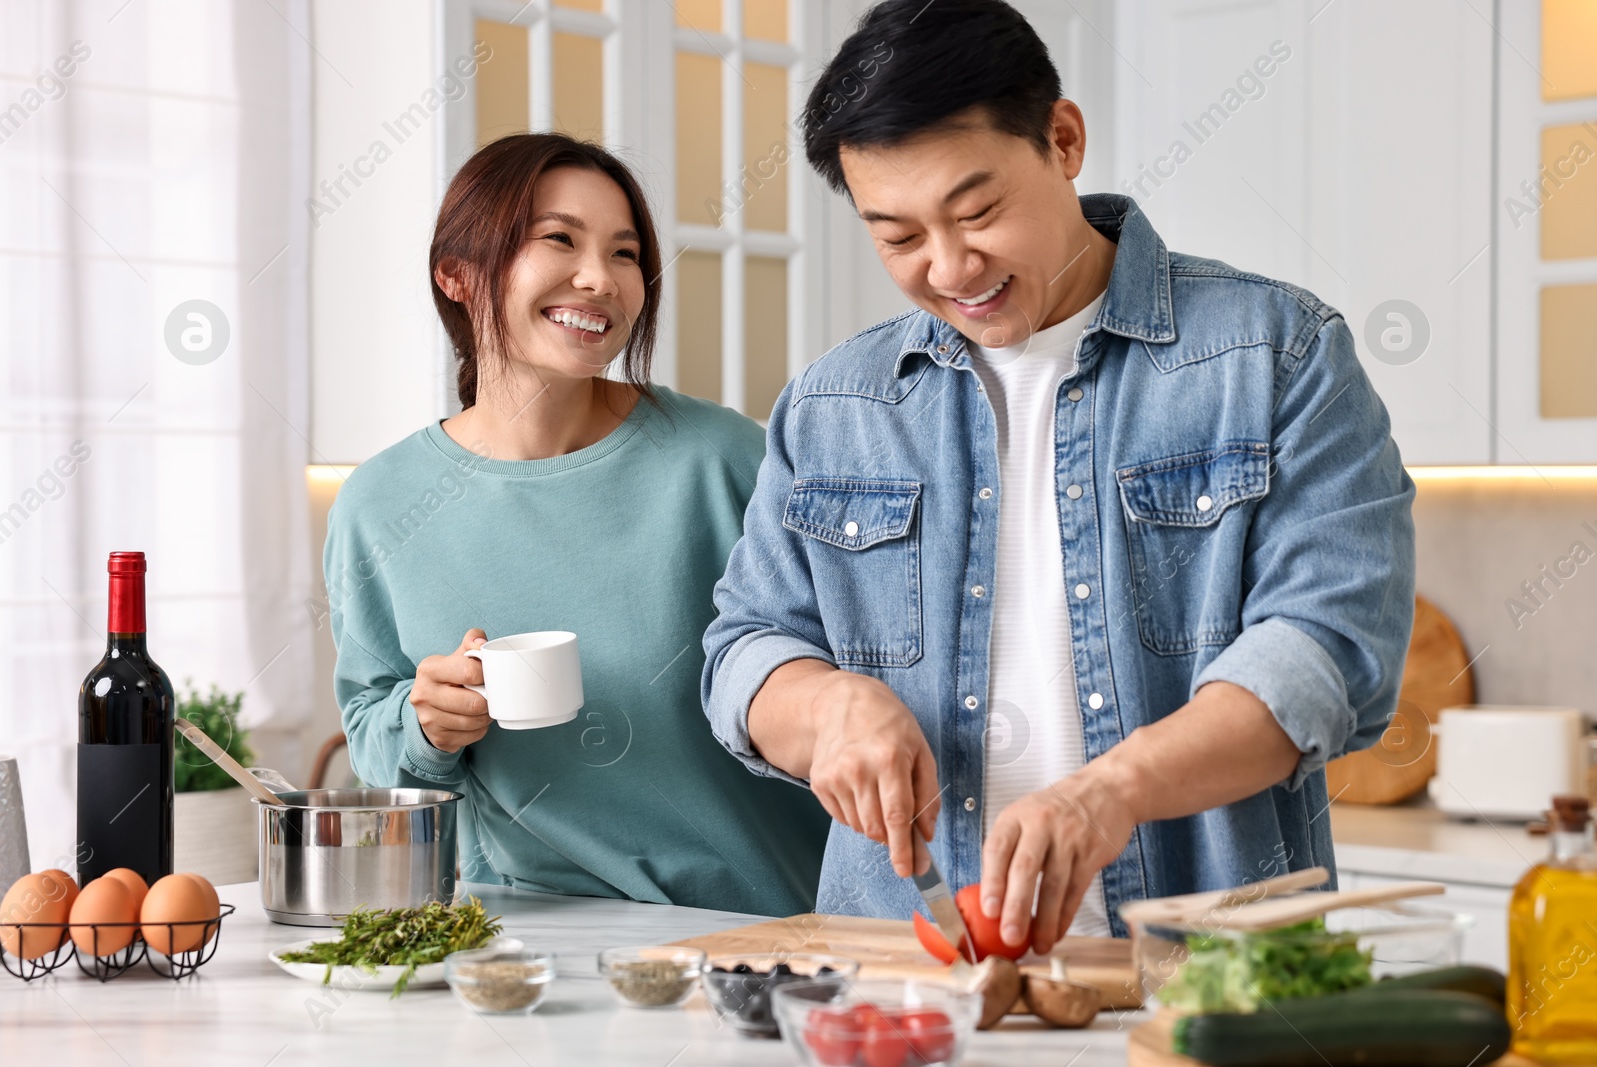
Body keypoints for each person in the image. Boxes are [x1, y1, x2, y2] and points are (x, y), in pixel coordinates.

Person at [702, 0, 1415, 951]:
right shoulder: (836, 404)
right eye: (898, 237)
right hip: (903, 972)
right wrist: (826, 706)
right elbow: (744, 649)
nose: (951, 266)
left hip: (1203, 971)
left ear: (1064, 140)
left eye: (979, 211)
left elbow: (1325, 651)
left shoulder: (1275, 356)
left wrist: (1107, 793)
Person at [325, 132, 828, 915]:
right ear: (456, 274)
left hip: (751, 930)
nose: (600, 278)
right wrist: (425, 722)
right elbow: (374, 739)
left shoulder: (724, 460)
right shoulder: (378, 504)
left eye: (625, 254)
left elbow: (836, 671)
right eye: (560, 239)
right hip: (523, 934)